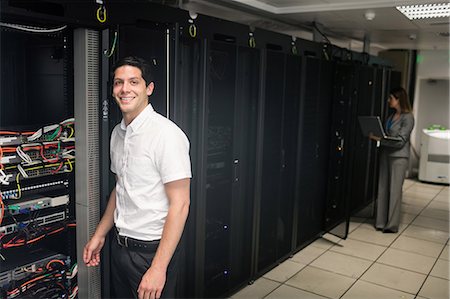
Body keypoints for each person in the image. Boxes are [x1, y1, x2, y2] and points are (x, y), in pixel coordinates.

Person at [83, 56, 191, 299]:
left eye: (134, 82)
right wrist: (100, 235)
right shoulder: (117, 134)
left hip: (152, 252)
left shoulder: (166, 135)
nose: (125, 89)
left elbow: (181, 204)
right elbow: (121, 190)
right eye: (118, 83)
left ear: (149, 88)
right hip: (120, 248)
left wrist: (158, 268)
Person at [369, 87, 414, 233]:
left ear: (399, 99)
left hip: (399, 157)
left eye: (391, 98)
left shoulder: (408, 118)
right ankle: (381, 222)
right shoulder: (391, 116)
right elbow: (387, 135)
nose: (389, 101)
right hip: (386, 155)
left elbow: (400, 141)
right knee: (383, 188)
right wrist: (378, 137)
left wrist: (380, 140)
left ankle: (391, 225)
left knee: (395, 190)